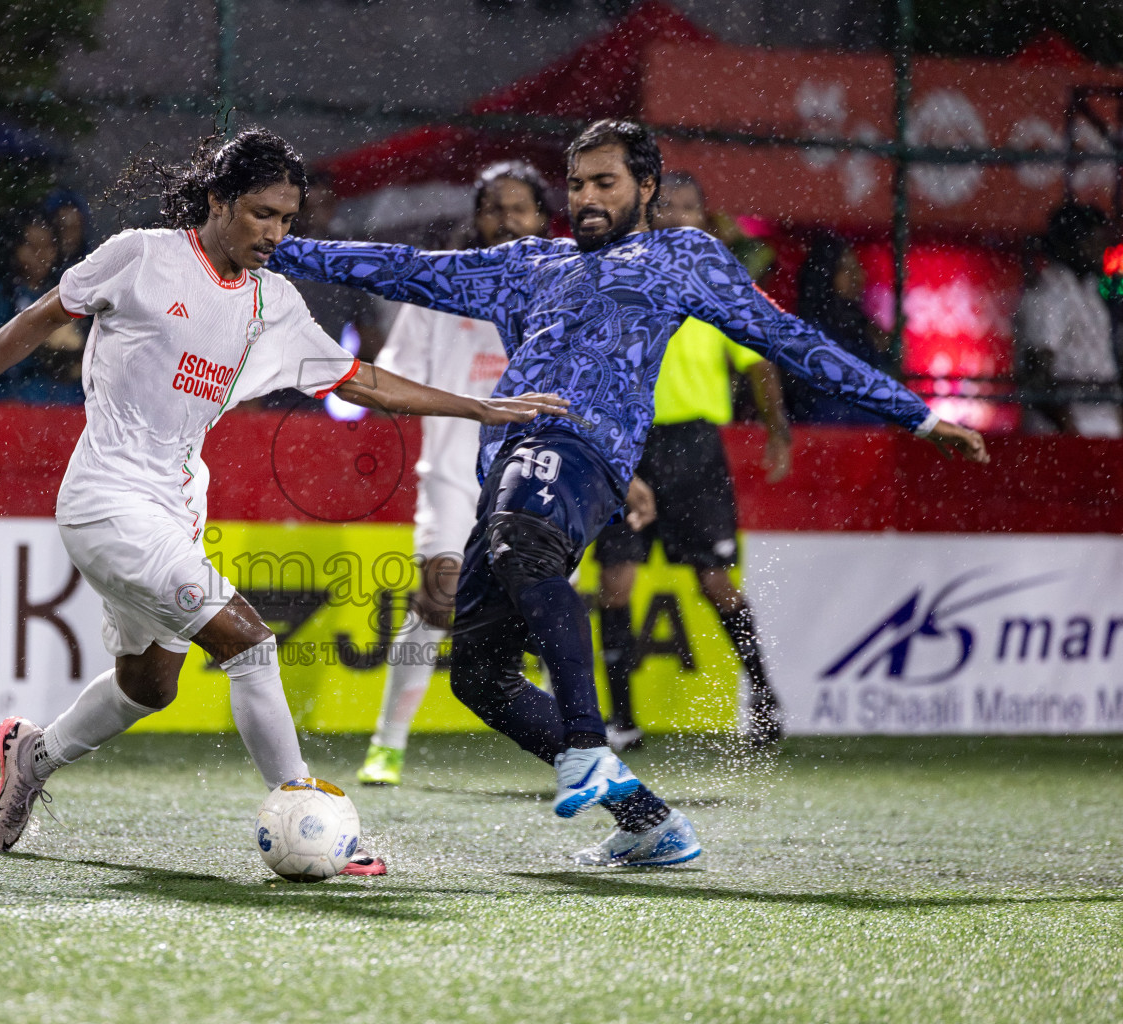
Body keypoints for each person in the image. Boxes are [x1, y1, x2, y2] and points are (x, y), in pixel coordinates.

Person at [269, 119, 988, 868]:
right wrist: (276, 247)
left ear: (646, 188)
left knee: (524, 544)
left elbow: (791, 341)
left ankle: (588, 743)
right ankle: (650, 824)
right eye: (577, 183)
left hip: (581, 449)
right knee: (480, 678)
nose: (586, 197)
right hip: (511, 462)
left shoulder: (680, 255)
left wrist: (919, 414)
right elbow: (399, 266)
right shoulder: (530, 264)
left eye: (604, 182)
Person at [0, 128, 566, 874]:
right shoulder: (142, 256)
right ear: (218, 202)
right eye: (261, 214)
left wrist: (477, 408)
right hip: (104, 500)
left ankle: (34, 756)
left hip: (176, 503)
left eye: (288, 219)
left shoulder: (272, 301)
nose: (276, 233)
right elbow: (40, 318)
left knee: (149, 685)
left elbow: (360, 380)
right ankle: (309, 813)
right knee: (250, 642)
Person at [356, 161, 553, 787]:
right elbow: (391, 377)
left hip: (532, 476)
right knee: (437, 599)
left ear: (543, 218)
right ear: (477, 216)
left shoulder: (562, 293)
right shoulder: (443, 288)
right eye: (494, 207)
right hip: (450, 472)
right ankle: (387, 743)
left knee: (536, 607)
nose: (505, 219)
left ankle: (568, 744)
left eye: (518, 207)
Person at [592, 170, 793, 753]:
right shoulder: (623, 277)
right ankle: (622, 721)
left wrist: (777, 431)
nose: (678, 215)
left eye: (689, 207)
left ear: (705, 219)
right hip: (628, 443)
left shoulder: (720, 285)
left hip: (695, 451)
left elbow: (758, 362)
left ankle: (763, 697)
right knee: (616, 583)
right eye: (668, 207)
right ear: (650, 214)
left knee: (716, 583)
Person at [1014, 203, 1122, 438]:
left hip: (1103, 430)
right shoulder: (1048, 293)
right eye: (1093, 240)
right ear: (1069, 245)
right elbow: (1036, 378)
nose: (1102, 248)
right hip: (1065, 438)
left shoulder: (1091, 289)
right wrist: (1069, 431)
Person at [0, 208, 84, 404]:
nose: (41, 255)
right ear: (14, 248)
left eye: (48, 246)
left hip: (65, 406)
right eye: (32, 247)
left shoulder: (66, 294)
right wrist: (42, 340)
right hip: (7, 402)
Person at [786, 231, 893, 425]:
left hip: (869, 434)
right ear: (826, 273)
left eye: (857, 267)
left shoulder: (863, 325)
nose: (857, 276)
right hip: (826, 433)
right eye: (846, 269)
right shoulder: (810, 329)